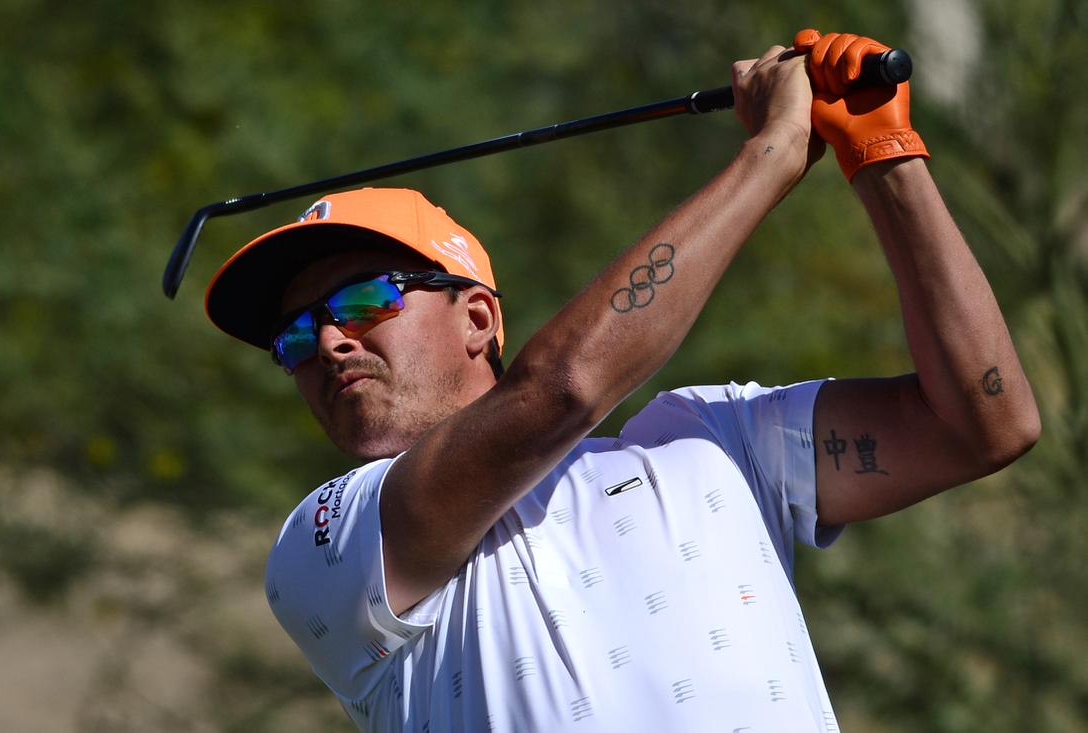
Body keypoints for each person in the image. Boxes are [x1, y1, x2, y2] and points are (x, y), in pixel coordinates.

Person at [203, 30, 1039, 732]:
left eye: (359, 298)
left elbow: (985, 422)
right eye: (295, 336)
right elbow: (560, 388)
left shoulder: (716, 436)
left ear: (479, 319)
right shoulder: (325, 545)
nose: (329, 341)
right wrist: (773, 155)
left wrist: (884, 152)